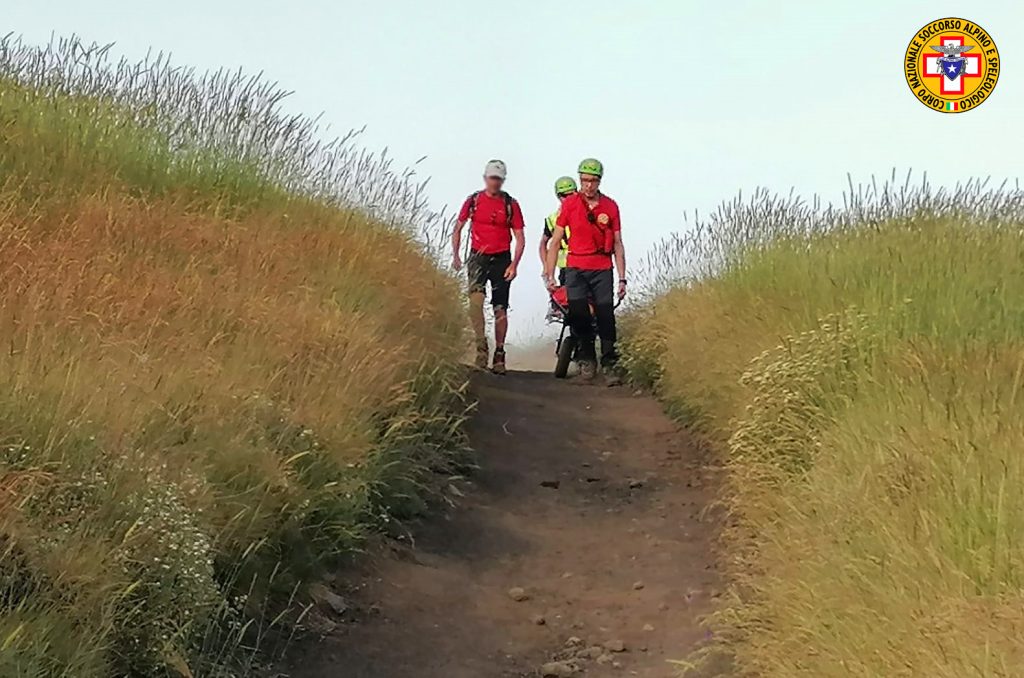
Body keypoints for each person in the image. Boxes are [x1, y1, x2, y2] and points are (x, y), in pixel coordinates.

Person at [543, 158, 627, 384]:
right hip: (575, 268)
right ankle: (587, 363)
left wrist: (622, 278)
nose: (588, 185)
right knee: (578, 316)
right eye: (584, 180)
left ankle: (610, 366)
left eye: (592, 181)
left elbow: (618, 243)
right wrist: (549, 275)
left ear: (600, 181)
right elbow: (556, 239)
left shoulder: (610, 206)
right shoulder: (570, 205)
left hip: (602, 268)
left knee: (605, 316)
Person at [451, 159, 526, 375]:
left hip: (502, 258)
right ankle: (480, 347)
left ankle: (499, 353)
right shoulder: (473, 200)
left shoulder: (510, 204)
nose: (495, 183)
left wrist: (514, 264)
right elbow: (458, 228)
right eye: (492, 178)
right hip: (478, 257)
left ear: (503, 181)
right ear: (485, 178)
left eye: (499, 179)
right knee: (475, 303)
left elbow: (520, 237)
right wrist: (456, 255)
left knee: (500, 307)